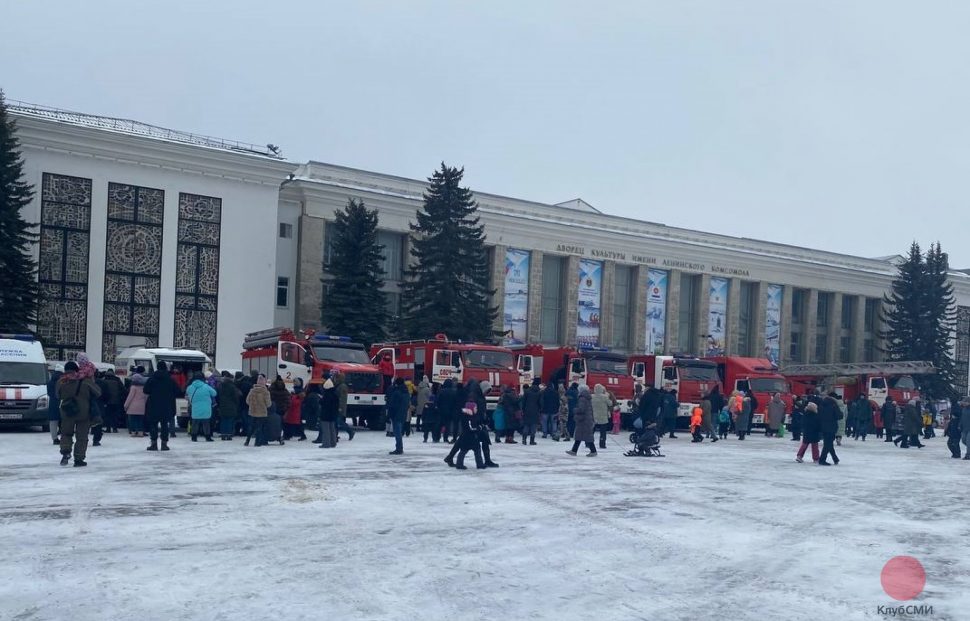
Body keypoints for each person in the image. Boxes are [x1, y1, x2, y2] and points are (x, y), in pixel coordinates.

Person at [56, 358, 101, 467]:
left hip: (67, 411)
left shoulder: (61, 381)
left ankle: (66, 451)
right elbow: (98, 393)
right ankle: (79, 459)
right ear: (77, 370)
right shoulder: (85, 381)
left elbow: (57, 395)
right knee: (82, 437)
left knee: (66, 433)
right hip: (83, 413)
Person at [144, 361, 178, 451]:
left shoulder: (152, 379)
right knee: (164, 425)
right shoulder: (170, 380)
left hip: (153, 405)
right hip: (167, 406)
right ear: (166, 368)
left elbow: (145, 390)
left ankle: (154, 444)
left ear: (157, 368)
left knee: (153, 425)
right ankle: (164, 444)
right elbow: (177, 391)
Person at [566, 385, 596, 456]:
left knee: (586, 436)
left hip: (583, 420)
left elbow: (581, 409)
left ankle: (593, 451)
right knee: (581, 436)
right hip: (586, 419)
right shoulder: (587, 397)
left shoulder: (582, 398)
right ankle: (574, 450)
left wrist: (574, 410)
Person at [187, 372, 218, 442]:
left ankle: (194, 437)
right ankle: (207, 437)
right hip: (206, 408)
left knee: (195, 423)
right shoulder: (206, 386)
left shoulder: (190, 387)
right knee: (206, 423)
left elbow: (187, 392)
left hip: (195, 407)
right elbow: (214, 393)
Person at [245, 375, 271, 447]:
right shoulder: (265, 392)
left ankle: (247, 441)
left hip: (252, 412)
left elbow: (247, 401)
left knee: (251, 427)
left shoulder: (252, 391)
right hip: (262, 412)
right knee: (259, 427)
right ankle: (257, 442)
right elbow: (268, 404)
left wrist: (252, 405)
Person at [387, 377, 410, 455]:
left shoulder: (396, 392)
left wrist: (389, 414)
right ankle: (399, 448)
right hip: (403, 414)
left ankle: (399, 448)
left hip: (396, 414)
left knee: (397, 432)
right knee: (399, 432)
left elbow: (393, 405)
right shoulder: (406, 392)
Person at [123, 366, 148, 437]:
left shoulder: (133, 387)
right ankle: (140, 432)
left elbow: (130, 397)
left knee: (133, 420)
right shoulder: (144, 387)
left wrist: (125, 405)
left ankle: (133, 432)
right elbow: (146, 397)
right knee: (140, 420)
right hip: (141, 406)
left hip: (132, 406)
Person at [818, 393, 841, 465]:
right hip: (832, 426)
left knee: (829, 443)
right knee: (828, 444)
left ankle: (835, 458)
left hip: (823, 427)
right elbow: (839, 416)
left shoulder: (821, 405)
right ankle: (822, 459)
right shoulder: (834, 405)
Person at [331, 372, 355, 441]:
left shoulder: (342, 386)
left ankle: (350, 431)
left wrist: (340, 408)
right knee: (337, 422)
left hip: (339, 407)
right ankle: (335, 435)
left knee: (339, 421)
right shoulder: (338, 385)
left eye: (336, 377)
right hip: (337, 406)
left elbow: (343, 399)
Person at [217, 372, 241, 440]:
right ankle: (229, 435)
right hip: (231, 406)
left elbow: (218, 396)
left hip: (222, 406)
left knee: (223, 420)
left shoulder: (220, 386)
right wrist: (237, 404)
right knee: (230, 421)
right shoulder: (232, 387)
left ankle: (223, 434)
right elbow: (236, 397)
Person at [99, 368, 125, 433]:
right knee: (115, 415)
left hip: (107, 401)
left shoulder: (104, 380)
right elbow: (123, 390)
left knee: (107, 415)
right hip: (116, 400)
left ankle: (108, 428)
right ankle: (115, 428)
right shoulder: (117, 380)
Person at [519, 379, 541, 445]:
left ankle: (524, 440)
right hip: (535, 411)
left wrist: (523, 409)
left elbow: (523, 402)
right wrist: (539, 409)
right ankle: (532, 440)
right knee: (533, 426)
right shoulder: (539, 392)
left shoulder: (527, 391)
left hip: (527, 410)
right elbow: (540, 403)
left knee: (526, 425)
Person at [318, 380, 338, 448]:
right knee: (332, 429)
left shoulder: (326, 395)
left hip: (325, 415)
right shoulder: (335, 395)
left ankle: (326, 444)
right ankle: (333, 443)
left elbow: (322, 403)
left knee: (326, 430)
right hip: (333, 415)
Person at [437, 379, 458, 443]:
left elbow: (438, 400)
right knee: (447, 425)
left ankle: (436, 437)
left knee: (439, 424)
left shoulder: (441, 391)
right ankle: (445, 438)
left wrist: (438, 407)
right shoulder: (454, 391)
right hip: (450, 410)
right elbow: (455, 402)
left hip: (441, 410)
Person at [592, 383, 612, 449]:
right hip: (603, 416)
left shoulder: (592, 396)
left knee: (592, 430)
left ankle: (589, 443)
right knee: (603, 432)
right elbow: (610, 404)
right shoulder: (604, 397)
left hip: (594, 416)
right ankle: (602, 444)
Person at [46, 366, 62, 445]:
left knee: (53, 421)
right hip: (62, 401)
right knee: (64, 420)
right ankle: (65, 437)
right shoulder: (63, 380)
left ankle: (54, 438)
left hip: (53, 402)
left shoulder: (50, 382)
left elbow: (49, 393)